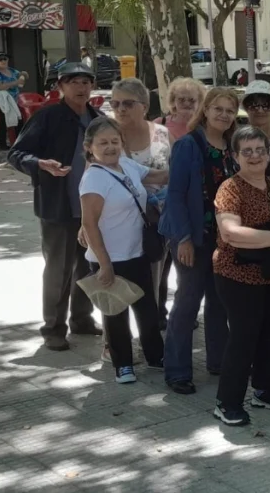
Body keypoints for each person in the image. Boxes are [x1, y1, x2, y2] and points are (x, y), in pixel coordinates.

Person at [210, 126, 270, 426]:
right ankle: (227, 402)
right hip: (238, 275)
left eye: (260, 150)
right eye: (247, 151)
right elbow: (231, 233)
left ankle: (264, 390)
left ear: (269, 153)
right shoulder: (230, 189)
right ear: (235, 156)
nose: (254, 156)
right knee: (243, 337)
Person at [8, 62, 103, 351]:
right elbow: (16, 153)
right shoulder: (47, 117)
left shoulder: (97, 118)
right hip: (58, 208)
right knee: (58, 271)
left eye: (86, 82)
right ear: (60, 87)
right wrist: (40, 164)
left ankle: (82, 319)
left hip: (91, 210)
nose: (81, 87)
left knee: (88, 267)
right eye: (73, 81)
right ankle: (53, 328)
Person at [159, 87, 239, 394]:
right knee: (188, 301)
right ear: (205, 110)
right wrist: (183, 239)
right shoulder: (188, 145)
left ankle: (218, 359)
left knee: (219, 300)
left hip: (223, 237)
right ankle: (177, 370)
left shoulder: (233, 146)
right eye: (217, 108)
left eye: (229, 110)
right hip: (191, 233)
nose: (223, 115)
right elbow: (176, 194)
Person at [78, 117, 168, 383]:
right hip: (110, 258)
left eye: (114, 142)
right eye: (103, 143)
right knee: (115, 312)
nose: (110, 147)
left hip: (136, 252)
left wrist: (186, 166)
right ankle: (123, 364)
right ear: (89, 147)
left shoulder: (126, 165)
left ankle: (155, 356)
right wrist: (104, 264)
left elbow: (157, 176)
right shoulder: (93, 178)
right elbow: (89, 224)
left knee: (147, 309)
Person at [112, 79, 174, 329]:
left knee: (154, 277)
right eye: (115, 103)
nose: (120, 109)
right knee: (119, 280)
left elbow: (177, 173)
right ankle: (115, 340)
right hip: (118, 221)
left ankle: (150, 337)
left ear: (145, 106)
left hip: (157, 221)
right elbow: (90, 179)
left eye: (128, 103)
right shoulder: (107, 135)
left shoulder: (162, 133)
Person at [0, 52, 26, 149]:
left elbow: (22, 80)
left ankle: (19, 142)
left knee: (19, 120)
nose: (3, 61)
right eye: (0, 59)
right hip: (2, 100)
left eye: (5, 58)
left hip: (14, 99)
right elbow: (1, 86)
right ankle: (2, 144)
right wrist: (16, 82)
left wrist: (24, 75)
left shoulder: (13, 71)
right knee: (3, 121)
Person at [156, 77, 205, 142]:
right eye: (181, 99)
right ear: (173, 101)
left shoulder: (205, 125)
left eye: (192, 100)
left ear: (199, 102)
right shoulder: (160, 124)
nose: (187, 103)